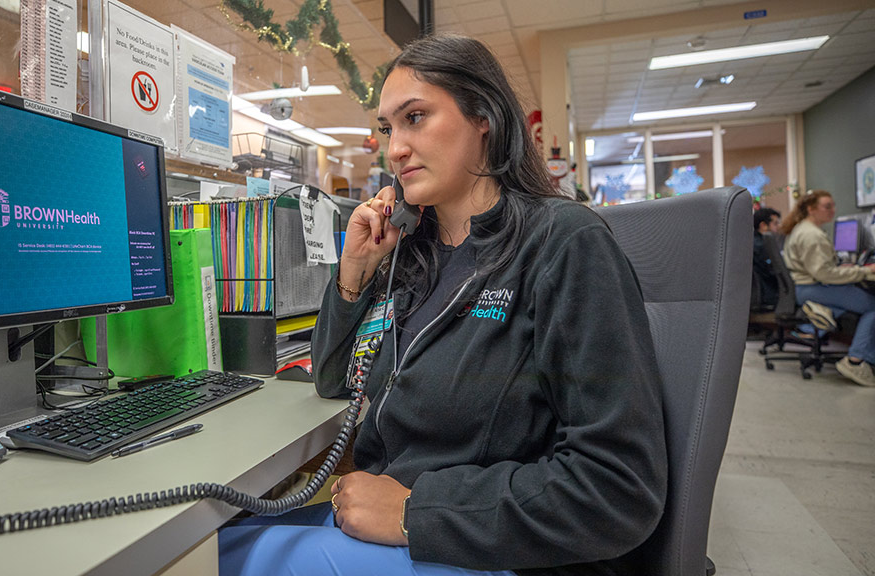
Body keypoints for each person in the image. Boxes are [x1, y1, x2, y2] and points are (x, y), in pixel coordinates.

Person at [218, 34, 667, 575]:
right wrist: (354, 273)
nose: (395, 149)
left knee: (210, 562)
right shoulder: (413, 258)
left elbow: (619, 488)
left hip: (492, 550)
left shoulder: (562, 243)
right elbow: (336, 381)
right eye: (389, 128)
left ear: (484, 118)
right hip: (403, 522)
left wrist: (415, 512)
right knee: (212, 543)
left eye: (415, 118)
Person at [781, 190, 875, 387]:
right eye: (827, 206)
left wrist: (847, 269)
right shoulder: (812, 235)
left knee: (854, 296)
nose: (833, 210)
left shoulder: (802, 229)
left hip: (805, 288)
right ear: (811, 209)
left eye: (833, 205)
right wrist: (864, 271)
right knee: (872, 306)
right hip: (813, 288)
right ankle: (855, 360)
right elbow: (824, 274)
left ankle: (815, 323)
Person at [753, 207, 781, 308]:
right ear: (763, 225)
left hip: (764, 293)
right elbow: (774, 272)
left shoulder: (753, 242)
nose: (778, 227)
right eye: (775, 223)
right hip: (769, 294)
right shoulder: (762, 246)